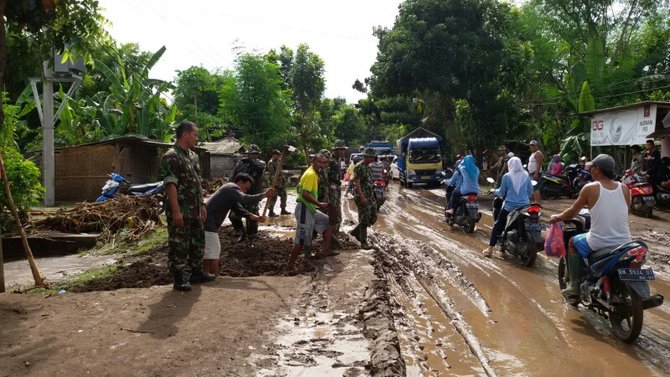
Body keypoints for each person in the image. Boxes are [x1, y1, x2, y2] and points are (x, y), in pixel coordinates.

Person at [549, 154, 632, 296]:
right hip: (625, 242)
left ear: (597, 169)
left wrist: (557, 217)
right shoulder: (624, 188)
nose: (590, 170)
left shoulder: (590, 188)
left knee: (572, 242)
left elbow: (572, 212)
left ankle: (575, 285)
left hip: (599, 242)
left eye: (591, 167)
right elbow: (624, 210)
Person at [160, 121, 215, 291]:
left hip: (195, 209)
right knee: (179, 243)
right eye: (195, 135)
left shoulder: (193, 156)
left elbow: (197, 183)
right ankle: (179, 278)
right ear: (185, 134)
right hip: (181, 209)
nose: (196, 138)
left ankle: (196, 272)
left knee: (197, 241)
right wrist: (176, 211)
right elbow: (171, 185)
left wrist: (202, 205)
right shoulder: (170, 156)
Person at [203, 174, 273, 275]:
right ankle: (214, 278)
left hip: (208, 223)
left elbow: (239, 209)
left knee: (209, 252)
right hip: (208, 224)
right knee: (214, 252)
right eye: (245, 188)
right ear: (240, 182)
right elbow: (244, 199)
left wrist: (256, 217)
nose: (244, 191)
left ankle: (206, 274)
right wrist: (263, 195)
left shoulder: (229, 192)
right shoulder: (231, 188)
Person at [286, 153, 335, 272]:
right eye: (319, 162)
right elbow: (305, 194)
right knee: (301, 239)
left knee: (328, 222)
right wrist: (319, 204)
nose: (321, 165)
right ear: (313, 162)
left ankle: (325, 251)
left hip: (311, 208)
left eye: (323, 163)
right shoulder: (310, 174)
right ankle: (290, 265)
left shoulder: (314, 173)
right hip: (304, 209)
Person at [484, 157, 534, 257]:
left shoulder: (507, 176)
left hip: (510, 207)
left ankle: (490, 249)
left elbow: (501, 192)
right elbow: (530, 192)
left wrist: (494, 191)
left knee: (497, 225)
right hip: (525, 207)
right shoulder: (526, 175)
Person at [229, 144, 266, 242]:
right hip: (239, 195)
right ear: (248, 154)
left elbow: (260, 169)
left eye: (256, 154)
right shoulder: (241, 163)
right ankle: (242, 232)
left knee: (252, 218)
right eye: (252, 154)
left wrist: (250, 161)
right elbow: (233, 176)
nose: (254, 156)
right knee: (233, 216)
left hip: (252, 195)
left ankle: (252, 238)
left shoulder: (260, 164)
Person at [350, 147, 377, 249]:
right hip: (362, 196)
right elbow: (357, 183)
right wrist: (362, 197)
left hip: (370, 196)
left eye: (373, 157)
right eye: (370, 157)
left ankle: (356, 232)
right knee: (364, 218)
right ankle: (363, 242)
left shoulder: (369, 167)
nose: (372, 159)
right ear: (365, 156)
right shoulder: (359, 167)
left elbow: (369, 182)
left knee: (373, 217)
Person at [328, 140, 348, 247]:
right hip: (331, 189)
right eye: (341, 149)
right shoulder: (330, 161)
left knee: (337, 215)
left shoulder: (338, 160)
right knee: (335, 215)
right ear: (335, 150)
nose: (343, 151)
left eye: (343, 149)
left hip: (336, 188)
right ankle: (332, 239)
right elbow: (325, 177)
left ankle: (333, 237)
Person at [266, 149, 289, 217]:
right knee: (273, 197)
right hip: (274, 183)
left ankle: (283, 209)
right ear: (274, 155)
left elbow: (280, 172)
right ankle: (271, 211)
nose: (279, 156)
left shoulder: (278, 161)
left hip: (281, 183)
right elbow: (272, 174)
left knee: (284, 195)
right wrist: (275, 183)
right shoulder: (271, 162)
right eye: (277, 155)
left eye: (279, 155)